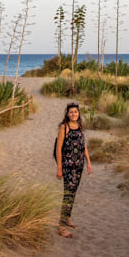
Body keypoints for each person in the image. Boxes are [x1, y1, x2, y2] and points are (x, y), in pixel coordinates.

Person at [55, 101, 92, 238]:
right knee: (68, 194)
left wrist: (88, 162)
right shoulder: (64, 128)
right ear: (67, 114)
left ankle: (67, 218)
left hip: (79, 166)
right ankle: (61, 226)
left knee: (73, 192)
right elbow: (59, 148)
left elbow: (83, 146)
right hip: (68, 166)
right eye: (71, 112)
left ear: (78, 113)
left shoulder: (79, 126)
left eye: (76, 112)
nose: (74, 114)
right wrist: (59, 168)